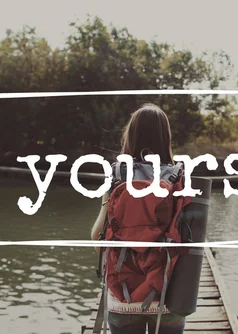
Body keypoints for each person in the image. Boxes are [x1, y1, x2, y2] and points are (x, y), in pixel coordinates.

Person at [90, 103, 186, 334]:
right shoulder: (179, 176)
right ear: (166, 137)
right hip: (168, 293)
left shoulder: (116, 175)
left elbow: (97, 238)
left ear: (130, 135)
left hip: (123, 292)